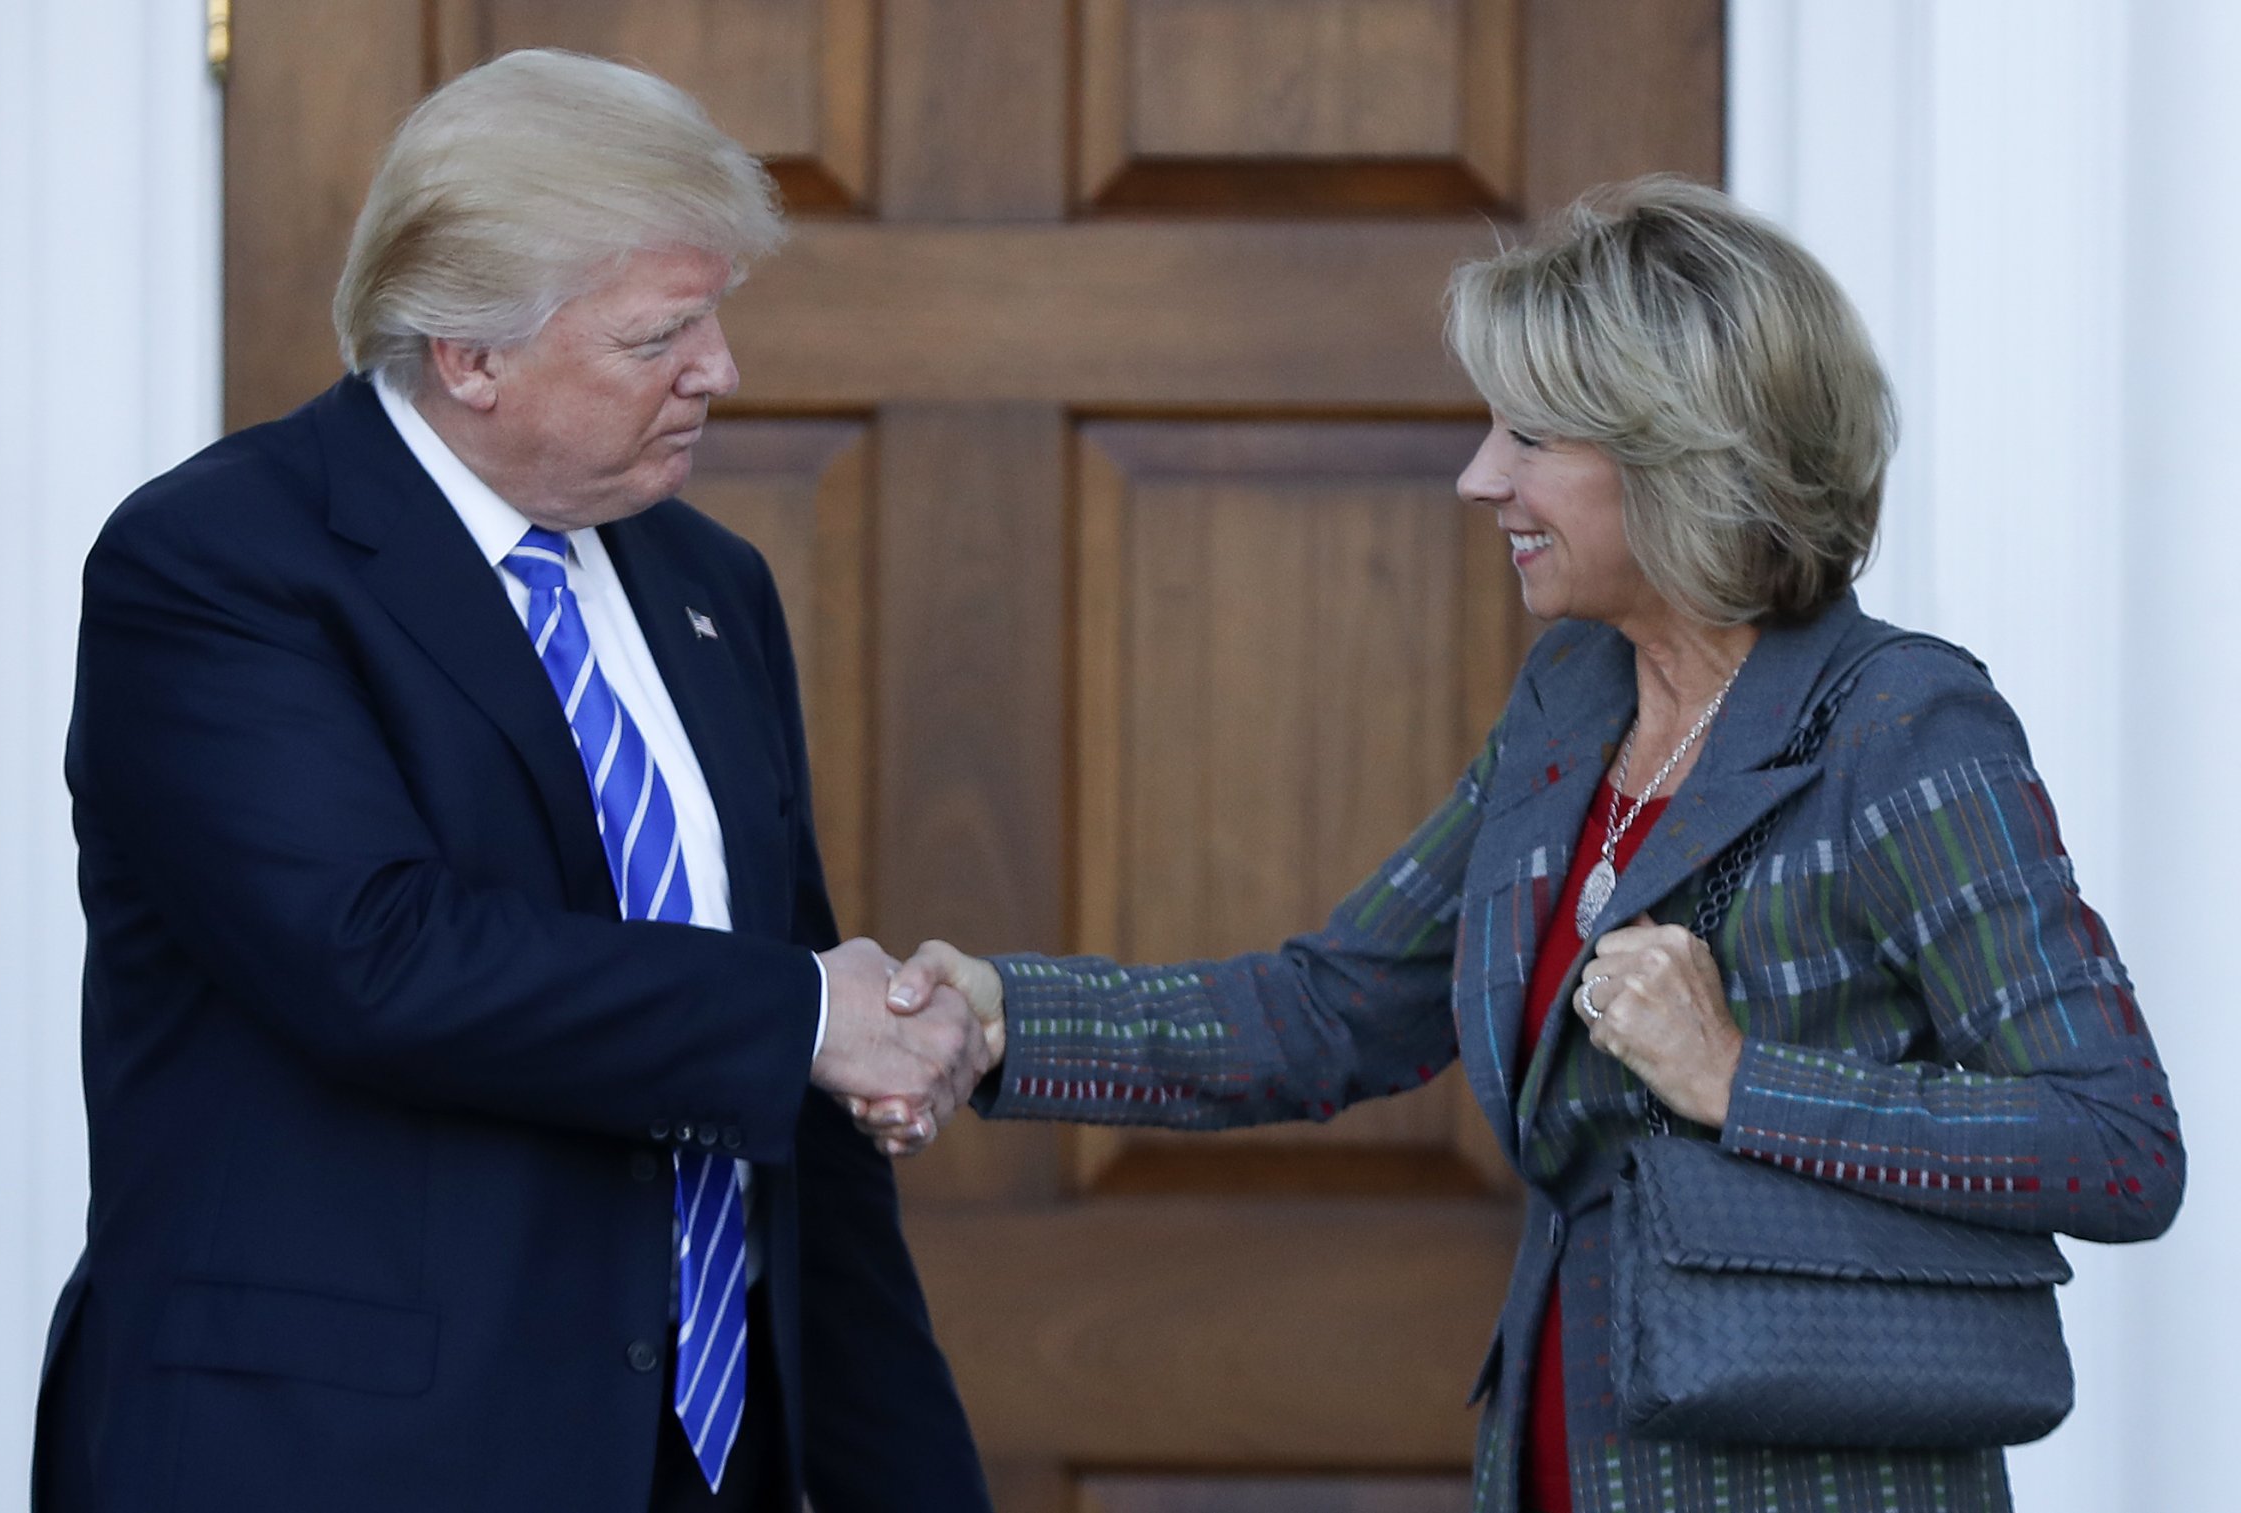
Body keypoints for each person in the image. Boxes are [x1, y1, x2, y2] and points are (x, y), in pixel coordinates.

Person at [868, 177, 2184, 1513]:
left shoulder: (1904, 726)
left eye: (1531, 436)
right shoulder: (1575, 698)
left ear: (1686, 455)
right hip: (1563, 1455)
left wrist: (1737, 1078)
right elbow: (1337, 1007)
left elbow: (2112, 1141)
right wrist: (998, 1017)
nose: (1478, 475)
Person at [32, 49, 993, 1513]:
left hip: (693, 1457)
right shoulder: (219, 566)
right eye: (660, 332)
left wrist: (903, 1476)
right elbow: (378, 957)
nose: (719, 369)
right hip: (344, 1464)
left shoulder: (708, 584)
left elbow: (794, 1076)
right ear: (468, 354)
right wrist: (808, 1013)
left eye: (715, 317)